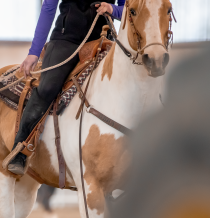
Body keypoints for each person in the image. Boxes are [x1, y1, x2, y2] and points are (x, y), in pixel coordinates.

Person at [7, 1, 126, 175]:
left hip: (104, 41)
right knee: (47, 88)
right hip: (66, 40)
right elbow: (48, 8)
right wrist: (34, 51)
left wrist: (113, 9)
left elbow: (130, 9)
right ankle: (20, 149)